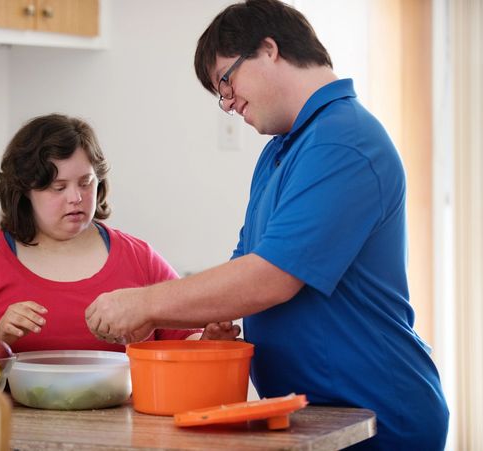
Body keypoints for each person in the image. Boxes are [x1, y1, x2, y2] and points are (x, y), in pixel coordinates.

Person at [84, 1, 449, 449]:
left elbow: (271, 277)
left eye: (226, 81)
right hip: (315, 416)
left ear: (269, 49)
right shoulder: (282, 150)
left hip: (377, 416)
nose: (227, 102)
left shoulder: (343, 141)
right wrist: (208, 321)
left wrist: (146, 305)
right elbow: (246, 264)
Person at [0, 114, 238, 352]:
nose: (76, 198)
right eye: (58, 187)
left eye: (86, 183)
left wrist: (208, 343)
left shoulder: (140, 258)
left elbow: (183, 344)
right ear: (23, 192)